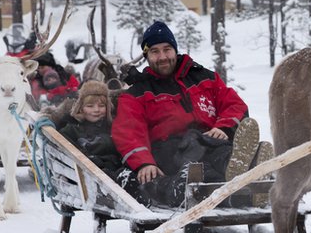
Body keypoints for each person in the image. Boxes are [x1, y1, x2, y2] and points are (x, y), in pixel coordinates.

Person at [112, 21, 264, 208]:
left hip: (209, 142)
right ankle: (249, 177)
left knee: (220, 154)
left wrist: (223, 127)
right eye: (155, 51)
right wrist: (144, 163)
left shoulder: (203, 77)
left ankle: (243, 166)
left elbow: (234, 104)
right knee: (201, 170)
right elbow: (128, 132)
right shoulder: (137, 92)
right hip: (167, 153)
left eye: (167, 49)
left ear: (175, 49)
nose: (162, 57)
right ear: (147, 56)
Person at [55, 80, 123, 178]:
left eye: (101, 106)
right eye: (90, 106)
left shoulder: (113, 126)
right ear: (81, 107)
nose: (96, 110)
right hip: (89, 174)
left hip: (116, 170)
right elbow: (70, 152)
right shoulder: (71, 129)